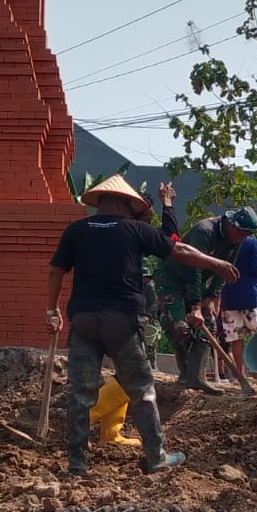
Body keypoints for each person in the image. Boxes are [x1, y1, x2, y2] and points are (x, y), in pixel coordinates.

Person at [47, 175, 239, 476]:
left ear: (100, 203)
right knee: (141, 388)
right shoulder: (135, 229)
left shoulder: (76, 230)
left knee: (81, 393)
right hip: (121, 320)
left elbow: (55, 273)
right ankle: (156, 457)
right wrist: (216, 263)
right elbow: (180, 250)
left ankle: (77, 462)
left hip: (84, 320)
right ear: (123, 205)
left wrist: (52, 311)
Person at [91, 181, 180, 449]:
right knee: (134, 374)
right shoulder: (132, 232)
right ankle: (83, 418)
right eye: (148, 213)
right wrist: (167, 204)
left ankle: (111, 431)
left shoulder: (107, 230)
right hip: (120, 311)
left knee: (125, 373)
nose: (150, 219)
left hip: (100, 308)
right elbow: (171, 240)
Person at [153, 207, 257, 395]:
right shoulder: (205, 231)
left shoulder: (236, 240)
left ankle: (197, 377)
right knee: (180, 328)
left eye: (248, 234)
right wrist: (195, 306)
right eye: (242, 232)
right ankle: (186, 374)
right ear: (231, 224)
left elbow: (225, 270)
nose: (244, 237)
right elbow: (193, 270)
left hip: (197, 284)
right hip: (171, 280)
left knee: (209, 324)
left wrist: (210, 297)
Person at [218, 227, 257, 386]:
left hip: (229, 298)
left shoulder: (223, 243)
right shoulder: (251, 242)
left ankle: (240, 376)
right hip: (250, 296)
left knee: (236, 339)